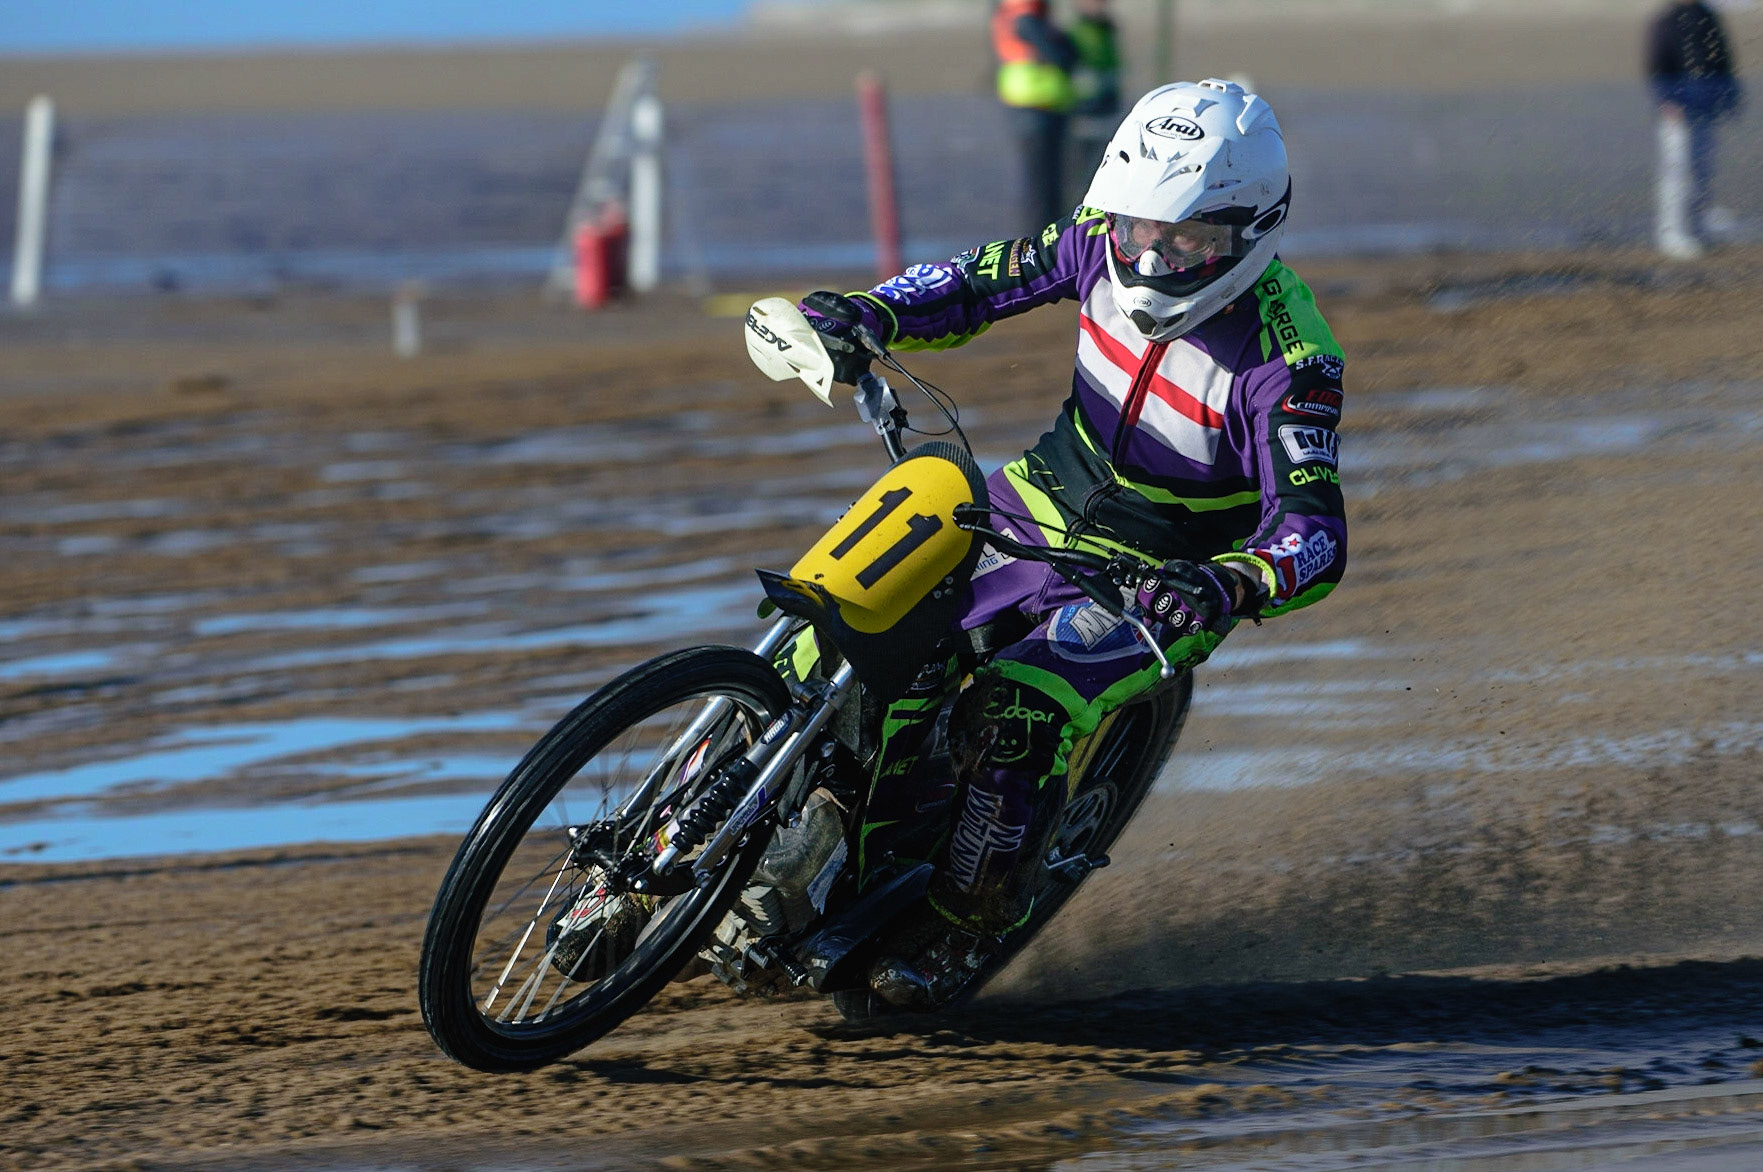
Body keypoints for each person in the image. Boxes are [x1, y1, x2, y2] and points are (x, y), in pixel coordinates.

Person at [799, 80, 1348, 1010]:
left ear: (1251, 231)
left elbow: (1315, 536)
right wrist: (873, 313)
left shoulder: (1290, 361)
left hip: (1153, 578)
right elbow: (979, 280)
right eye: (1138, 229)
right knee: (831, 622)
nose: (1151, 256)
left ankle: (962, 924)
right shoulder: (1096, 239)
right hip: (1031, 496)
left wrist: (1228, 584)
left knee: (1018, 714)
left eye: (1186, 242)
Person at [1647, 0, 1744, 259]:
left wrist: (1730, 94)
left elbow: (1723, 57)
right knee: (1677, 171)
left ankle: (1698, 228)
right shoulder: (1665, 20)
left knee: (1702, 171)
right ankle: (1671, 233)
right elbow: (1657, 64)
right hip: (1678, 108)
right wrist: (1666, 99)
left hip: (1706, 104)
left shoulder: (1708, 17)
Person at [992, 0, 1078, 230]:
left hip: (1039, 105)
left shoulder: (1019, 11)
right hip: (1034, 105)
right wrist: (1064, 50)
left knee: (1045, 185)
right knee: (1041, 188)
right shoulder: (1025, 13)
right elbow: (1060, 56)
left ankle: (1047, 242)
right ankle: (1040, 248)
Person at [1066, 0, 1123, 207]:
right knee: (1080, 175)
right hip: (1083, 110)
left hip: (1107, 108)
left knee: (1102, 171)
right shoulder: (1077, 31)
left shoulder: (1105, 30)